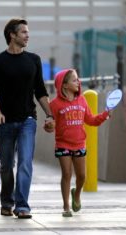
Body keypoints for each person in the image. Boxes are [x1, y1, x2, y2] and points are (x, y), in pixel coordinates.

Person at [0, 18, 54, 219]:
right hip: (5, 121)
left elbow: (40, 91)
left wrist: (50, 114)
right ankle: (7, 201)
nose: (27, 35)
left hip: (27, 119)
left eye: (27, 32)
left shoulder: (33, 59)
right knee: (6, 165)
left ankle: (22, 205)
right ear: (12, 35)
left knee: (25, 162)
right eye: (23, 32)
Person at [44, 69, 110, 217]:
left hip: (80, 143)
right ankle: (66, 206)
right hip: (63, 144)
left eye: (78, 79)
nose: (78, 82)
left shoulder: (82, 100)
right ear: (64, 85)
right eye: (74, 80)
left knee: (82, 176)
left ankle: (77, 194)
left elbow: (91, 120)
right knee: (66, 174)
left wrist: (105, 115)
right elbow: (49, 124)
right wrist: (48, 126)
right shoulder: (54, 104)